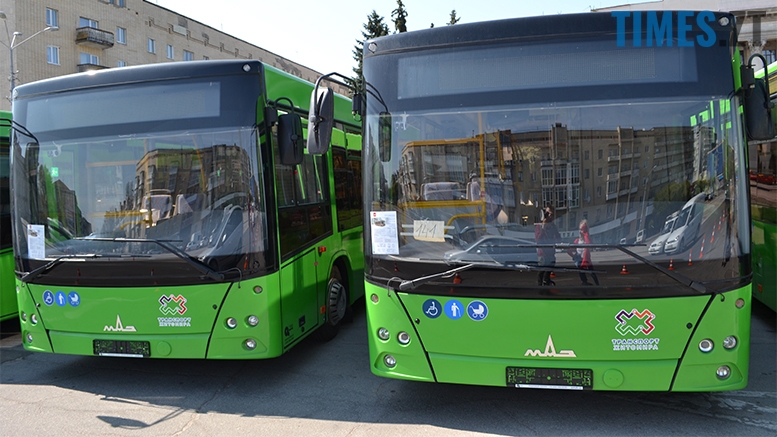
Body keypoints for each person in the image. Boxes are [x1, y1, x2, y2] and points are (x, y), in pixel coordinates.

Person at [535, 205, 560, 286]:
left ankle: (546, 285)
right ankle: (540, 287)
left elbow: (558, 239)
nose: (550, 216)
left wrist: (552, 230)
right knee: (541, 273)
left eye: (551, 214)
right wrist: (543, 228)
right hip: (543, 254)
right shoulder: (539, 226)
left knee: (547, 274)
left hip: (551, 254)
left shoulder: (553, 227)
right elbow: (538, 241)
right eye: (548, 214)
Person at [569, 219, 599, 285]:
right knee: (581, 270)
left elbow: (589, 244)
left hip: (587, 259)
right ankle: (584, 281)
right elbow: (571, 249)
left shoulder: (588, 239)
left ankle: (597, 284)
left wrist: (586, 235)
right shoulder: (577, 240)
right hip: (579, 258)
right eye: (580, 229)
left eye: (583, 229)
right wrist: (573, 256)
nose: (581, 231)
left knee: (592, 272)